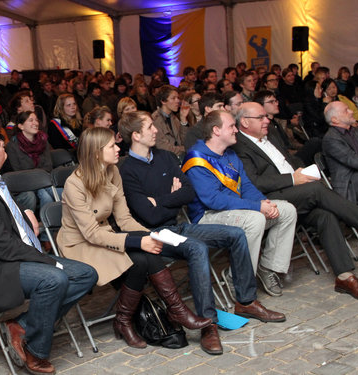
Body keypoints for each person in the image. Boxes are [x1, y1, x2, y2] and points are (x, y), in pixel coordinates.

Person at [118, 111, 285, 354]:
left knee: (235, 234)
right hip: (155, 233)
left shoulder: (164, 157)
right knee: (197, 248)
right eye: (150, 127)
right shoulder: (127, 170)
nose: (155, 130)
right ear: (135, 135)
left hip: (179, 227)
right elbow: (149, 216)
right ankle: (209, 325)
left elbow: (189, 193)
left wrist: (161, 199)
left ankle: (246, 302)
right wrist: (172, 197)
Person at [0, 125, 97, 374]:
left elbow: (7, 229)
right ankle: (36, 350)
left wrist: (25, 220)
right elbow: (0, 246)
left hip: (17, 257)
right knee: (54, 279)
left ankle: (22, 325)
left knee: (86, 274)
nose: (4, 144)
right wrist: (48, 261)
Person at [57, 127, 211, 349]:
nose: (118, 148)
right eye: (112, 146)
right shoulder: (75, 184)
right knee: (138, 259)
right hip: (80, 243)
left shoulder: (112, 172)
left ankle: (154, 315)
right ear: (96, 152)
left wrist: (151, 235)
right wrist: (139, 241)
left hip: (105, 235)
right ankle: (137, 319)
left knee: (144, 255)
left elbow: (124, 219)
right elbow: (90, 233)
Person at [233, 102, 358, 301]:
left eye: (266, 116)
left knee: (325, 215)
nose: (267, 120)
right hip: (272, 199)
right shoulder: (239, 146)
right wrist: (293, 179)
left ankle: (345, 277)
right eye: (261, 117)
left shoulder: (270, 136)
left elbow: (290, 161)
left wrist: (302, 171)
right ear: (245, 122)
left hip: (297, 193)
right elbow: (255, 182)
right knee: (317, 191)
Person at [183, 110, 297, 297]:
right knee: (255, 220)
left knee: (286, 210)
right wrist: (256, 207)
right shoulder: (196, 159)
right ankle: (239, 277)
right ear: (216, 130)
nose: (236, 130)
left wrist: (263, 201)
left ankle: (268, 267)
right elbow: (214, 200)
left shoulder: (230, 154)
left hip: (236, 211)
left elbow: (246, 186)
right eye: (231, 126)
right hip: (206, 218)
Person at [323, 101, 358, 203]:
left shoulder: (355, 131)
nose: (351, 111)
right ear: (335, 119)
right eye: (346, 110)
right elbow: (353, 160)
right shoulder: (331, 139)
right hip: (351, 186)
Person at [5, 110, 55, 212]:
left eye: (36, 120)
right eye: (31, 120)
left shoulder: (43, 141)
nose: (35, 123)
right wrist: (37, 174)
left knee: (60, 192)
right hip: (25, 184)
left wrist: (36, 174)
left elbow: (49, 166)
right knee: (45, 196)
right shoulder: (12, 146)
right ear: (21, 126)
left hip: (43, 181)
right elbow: (18, 171)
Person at [152, 85, 190, 158]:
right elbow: (162, 147)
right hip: (166, 159)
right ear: (163, 101)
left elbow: (184, 141)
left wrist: (183, 119)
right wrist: (184, 149)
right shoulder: (155, 119)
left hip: (178, 157)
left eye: (178, 98)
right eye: (173, 98)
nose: (178, 101)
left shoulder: (174, 118)